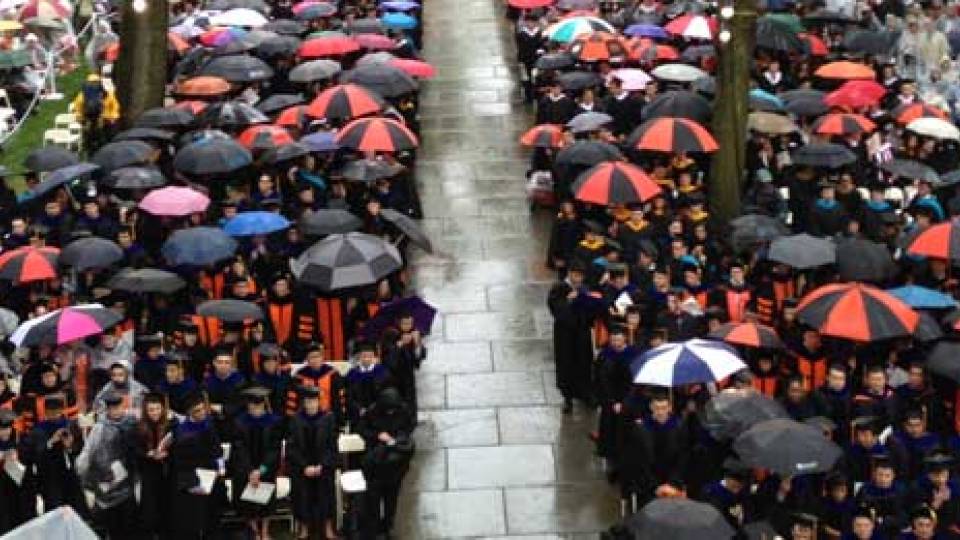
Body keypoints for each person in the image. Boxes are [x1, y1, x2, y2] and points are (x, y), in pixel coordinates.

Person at [76, 390, 137, 539]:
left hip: (129, 484)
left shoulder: (132, 423)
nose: (115, 411)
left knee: (130, 528)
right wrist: (85, 479)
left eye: (117, 407)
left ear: (123, 406)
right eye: (111, 408)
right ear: (107, 409)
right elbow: (86, 455)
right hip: (107, 484)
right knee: (114, 529)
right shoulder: (100, 428)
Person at [358, 387, 414, 538]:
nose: (390, 412)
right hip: (375, 464)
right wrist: (378, 436)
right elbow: (362, 429)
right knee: (373, 498)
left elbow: (408, 428)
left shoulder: (403, 411)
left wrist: (395, 440)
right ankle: (374, 528)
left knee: (392, 497)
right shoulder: (372, 412)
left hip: (395, 465)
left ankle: (388, 525)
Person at [169, 394, 226, 540]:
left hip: (212, 476)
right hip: (193, 479)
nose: (202, 414)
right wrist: (192, 483)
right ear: (189, 412)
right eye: (197, 411)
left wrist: (221, 467)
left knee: (213, 514)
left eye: (203, 409)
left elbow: (217, 449)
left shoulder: (209, 424)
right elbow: (180, 462)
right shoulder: (182, 433)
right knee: (194, 517)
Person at [19, 395, 87, 517]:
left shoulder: (70, 426)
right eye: (51, 412)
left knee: (75, 507)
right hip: (50, 478)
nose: (54, 416)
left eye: (57, 412)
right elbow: (34, 456)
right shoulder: (38, 430)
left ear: (62, 411)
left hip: (69, 476)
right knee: (54, 511)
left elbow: (80, 450)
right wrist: (50, 442)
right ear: (46, 412)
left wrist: (69, 447)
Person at [230, 386, 282, 540]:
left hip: (266, 469)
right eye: (252, 406)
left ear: (264, 405)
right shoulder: (240, 422)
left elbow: (274, 449)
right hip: (245, 469)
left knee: (266, 496)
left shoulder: (274, 422)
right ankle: (255, 532)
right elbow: (239, 448)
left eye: (258, 406)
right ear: (248, 405)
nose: (255, 410)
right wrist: (250, 470)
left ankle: (265, 531)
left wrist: (261, 470)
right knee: (247, 498)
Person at [286, 385, 338, 540]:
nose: (311, 405)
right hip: (302, 467)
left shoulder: (328, 418)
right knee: (301, 495)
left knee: (327, 495)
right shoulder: (295, 420)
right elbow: (292, 447)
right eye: (308, 401)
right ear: (304, 403)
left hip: (323, 466)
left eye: (314, 401)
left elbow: (332, 446)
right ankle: (304, 528)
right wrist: (304, 466)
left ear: (318, 401)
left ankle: (328, 528)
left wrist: (322, 465)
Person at [547, 262, 598, 413]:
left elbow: (591, 309)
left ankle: (585, 393)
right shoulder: (559, 288)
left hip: (582, 333)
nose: (578, 279)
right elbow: (556, 309)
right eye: (575, 275)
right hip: (565, 335)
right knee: (566, 364)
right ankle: (567, 398)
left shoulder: (585, 288)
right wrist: (569, 301)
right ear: (569, 273)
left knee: (584, 362)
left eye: (581, 276)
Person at [132, 392, 175, 539]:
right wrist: (147, 454)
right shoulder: (139, 427)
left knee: (167, 510)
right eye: (151, 410)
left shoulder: (170, 425)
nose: (155, 413)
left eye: (157, 409)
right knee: (149, 512)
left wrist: (167, 454)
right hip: (148, 472)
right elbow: (135, 449)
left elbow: (177, 446)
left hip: (167, 471)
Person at [0, 408, 34, 534]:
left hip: (20, 498)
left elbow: (29, 470)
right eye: (2, 429)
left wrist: (18, 457)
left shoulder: (20, 442)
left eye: (7, 428)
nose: (5, 432)